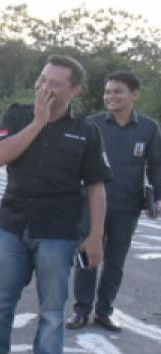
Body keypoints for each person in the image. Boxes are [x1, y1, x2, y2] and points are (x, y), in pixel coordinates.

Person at [0, 55, 112, 354]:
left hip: (58, 232)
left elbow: (96, 187)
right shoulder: (17, 115)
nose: (45, 87)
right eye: (42, 79)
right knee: (1, 303)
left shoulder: (87, 131)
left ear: (74, 90)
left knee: (51, 309)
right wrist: (39, 121)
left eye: (55, 83)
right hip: (14, 226)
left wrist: (95, 237)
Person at [66, 70, 161, 332]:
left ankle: (104, 311)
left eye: (117, 91)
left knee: (115, 261)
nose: (111, 96)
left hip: (127, 205)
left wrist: (158, 197)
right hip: (92, 204)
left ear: (134, 95)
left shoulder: (149, 128)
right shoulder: (93, 124)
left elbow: (155, 165)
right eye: (107, 92)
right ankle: (81, 310)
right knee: (87, 255)